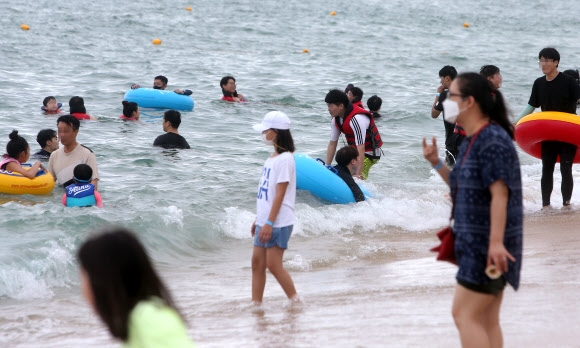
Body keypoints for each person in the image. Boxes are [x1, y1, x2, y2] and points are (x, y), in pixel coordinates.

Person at [423, 72, 523, 348]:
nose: (445, 102)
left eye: (451, 97)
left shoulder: (491, 139)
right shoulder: (472, 139)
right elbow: (459, 185)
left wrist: (495, 244)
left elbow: (500, 193)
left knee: (464, 314)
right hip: (480, 242)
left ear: (468, 102)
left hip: (487, 245)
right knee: (486, 319)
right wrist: (435, 163)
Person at [77, 227, 194, 347]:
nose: (83, 290)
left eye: (85, 278)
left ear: (103, 280)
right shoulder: (140, 318)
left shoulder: (149, 318)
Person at [518, 47, 580, 208]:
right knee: (547, 168)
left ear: (556, 62)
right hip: (548, 133)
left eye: (546, 60)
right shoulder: (538, 83)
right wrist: (516, 122)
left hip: (567, 132)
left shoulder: (569, 82)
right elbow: (531, 105)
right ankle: (546, 206)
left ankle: (566, 204)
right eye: (541, 60)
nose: (543, 64)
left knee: (566, 168)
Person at [251, 111, 300, 305]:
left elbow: (280, 194)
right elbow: (267, 193)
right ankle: (256, 305)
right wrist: (259, 219)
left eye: (266, 130)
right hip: (265, 220)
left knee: (273, 264)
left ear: (276, 132)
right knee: (257, 263)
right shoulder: (271, 158)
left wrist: (269, 222)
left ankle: (295, 301)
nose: (263, 134)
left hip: (278, 221)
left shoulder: (285, 159)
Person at [324, 89, 383, 180]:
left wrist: (358, 174)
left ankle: (363, 187)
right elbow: (332, 143)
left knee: (356, 177)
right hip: (355, 153)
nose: (328, 109)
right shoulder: (335, 120)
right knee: (342, 168)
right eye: (328, 105)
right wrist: (326, 166)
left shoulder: (356, 119)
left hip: (370, 153)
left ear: (341, 106)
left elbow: (361, 147)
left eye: (330, 105)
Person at [48, 115, 99, 189]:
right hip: (61, 198)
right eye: (59, 131)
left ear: (76, 132)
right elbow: (50, 182)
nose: (62, 134)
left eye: (66, 131)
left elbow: (94, 183)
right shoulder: (54, 155)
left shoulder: (87, 154)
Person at [431, 65, 465, 166]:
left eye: (441, 78)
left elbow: (434, 114)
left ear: (447, 78)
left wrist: (438, 95)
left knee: (453, 167)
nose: (441, 82)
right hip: (467, 137)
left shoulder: (445, 95)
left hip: (453, 140)